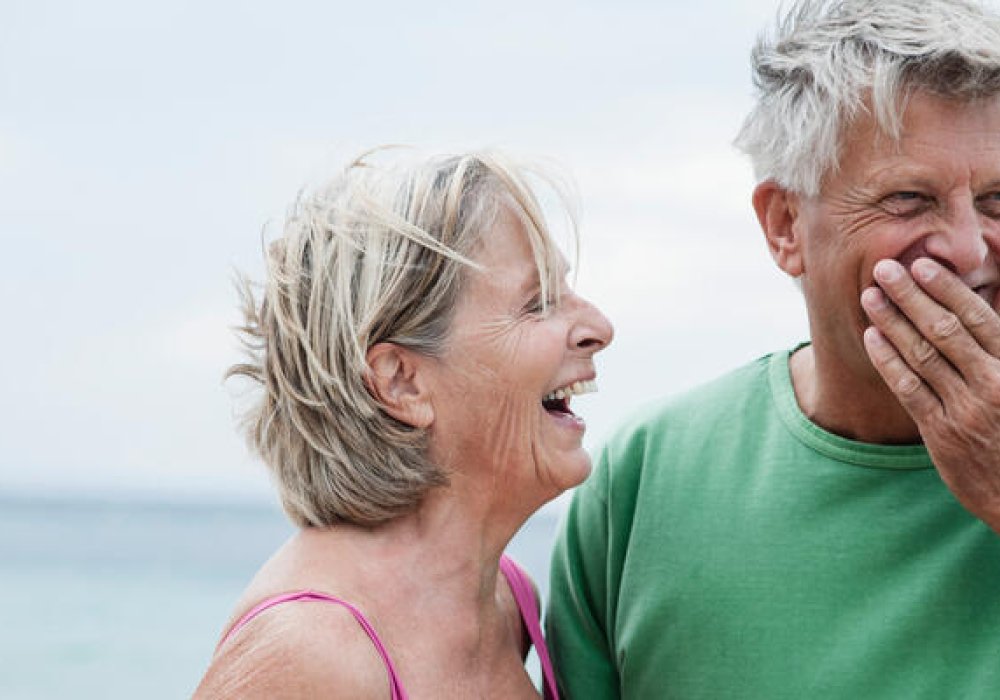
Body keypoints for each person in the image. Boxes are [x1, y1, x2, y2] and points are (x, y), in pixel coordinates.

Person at [547, 0, 1000, 697]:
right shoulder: (645, 476)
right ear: (785, 225)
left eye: (998, 201)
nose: (970, 250)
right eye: (910, 199)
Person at [194, 149, 612, 699]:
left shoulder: (509, 602)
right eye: (536, 304)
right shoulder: (309, 654)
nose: (598, 328)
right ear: (401, 382)